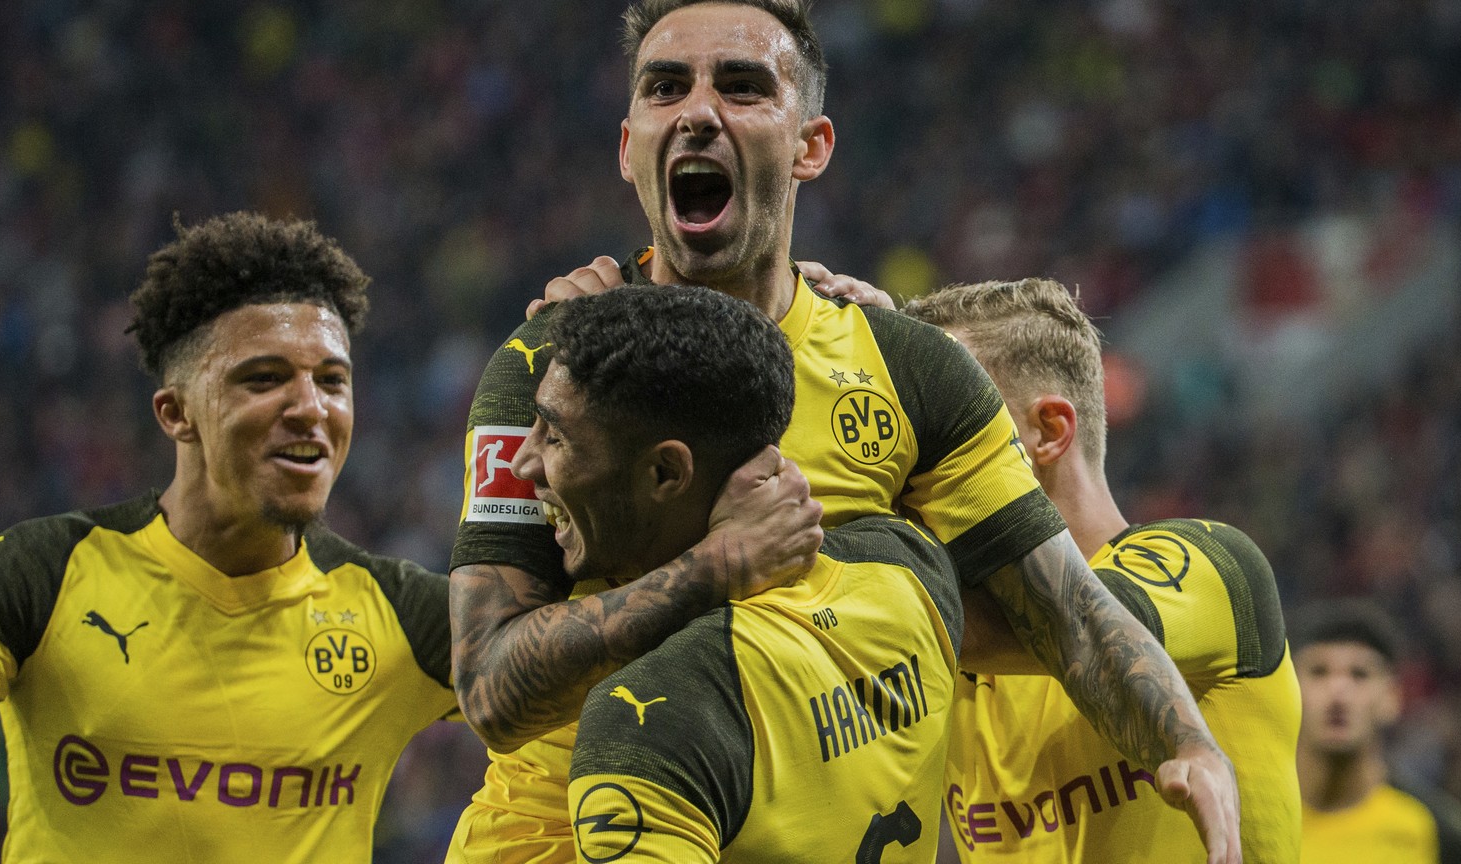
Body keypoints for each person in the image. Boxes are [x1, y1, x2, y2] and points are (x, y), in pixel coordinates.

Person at [447, 1, 1240, 862]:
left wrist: (1186, 743)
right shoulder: (549, 367)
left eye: (744, 86)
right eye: (666, 87)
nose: (699, 111)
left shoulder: (906, 369)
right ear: (629, 143)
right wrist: (714, 570)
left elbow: (1067, 614)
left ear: (810, 146)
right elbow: (492, 688)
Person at [0, 212, 458, 862]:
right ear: (175, 412)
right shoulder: (42, 573)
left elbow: (599, 667)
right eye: (264, 378)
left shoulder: (405, 617)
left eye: (332, 380)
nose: (311, 407)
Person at [522, 284, 965, 861]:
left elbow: (494, 696)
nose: (522, 460)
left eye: (554, 436)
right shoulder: (910, 565)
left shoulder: (652, 714)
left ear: (665, 472)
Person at [900, 278, 1302, 862]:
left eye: (942, 420)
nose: (910, 452)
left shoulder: (1206, 565)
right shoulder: (954, 662)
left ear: (1048, 430)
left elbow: (1073, 620)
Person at [1292, 599, 1461, 863]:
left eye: (1359, 674)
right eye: (1319, 672)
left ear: (1392, 697)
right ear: (1289, 691)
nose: (1338, 692)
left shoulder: (1439, 832)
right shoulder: (1245, 816)